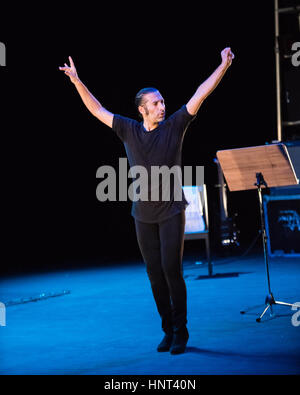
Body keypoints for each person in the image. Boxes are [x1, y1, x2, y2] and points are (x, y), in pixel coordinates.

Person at [59, 48, 234, 354]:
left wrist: (222, 66)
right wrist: (76, 81)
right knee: (154, 274)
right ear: (142, 109)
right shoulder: (128, 130)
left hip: (171, 211)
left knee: (171, 269)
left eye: (163, 101)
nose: (162, 106)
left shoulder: (176, 125)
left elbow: (200, 93)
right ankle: (167, 329)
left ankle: (181, 330)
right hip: (142, 214)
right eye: (156, 103)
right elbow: (97, 109)